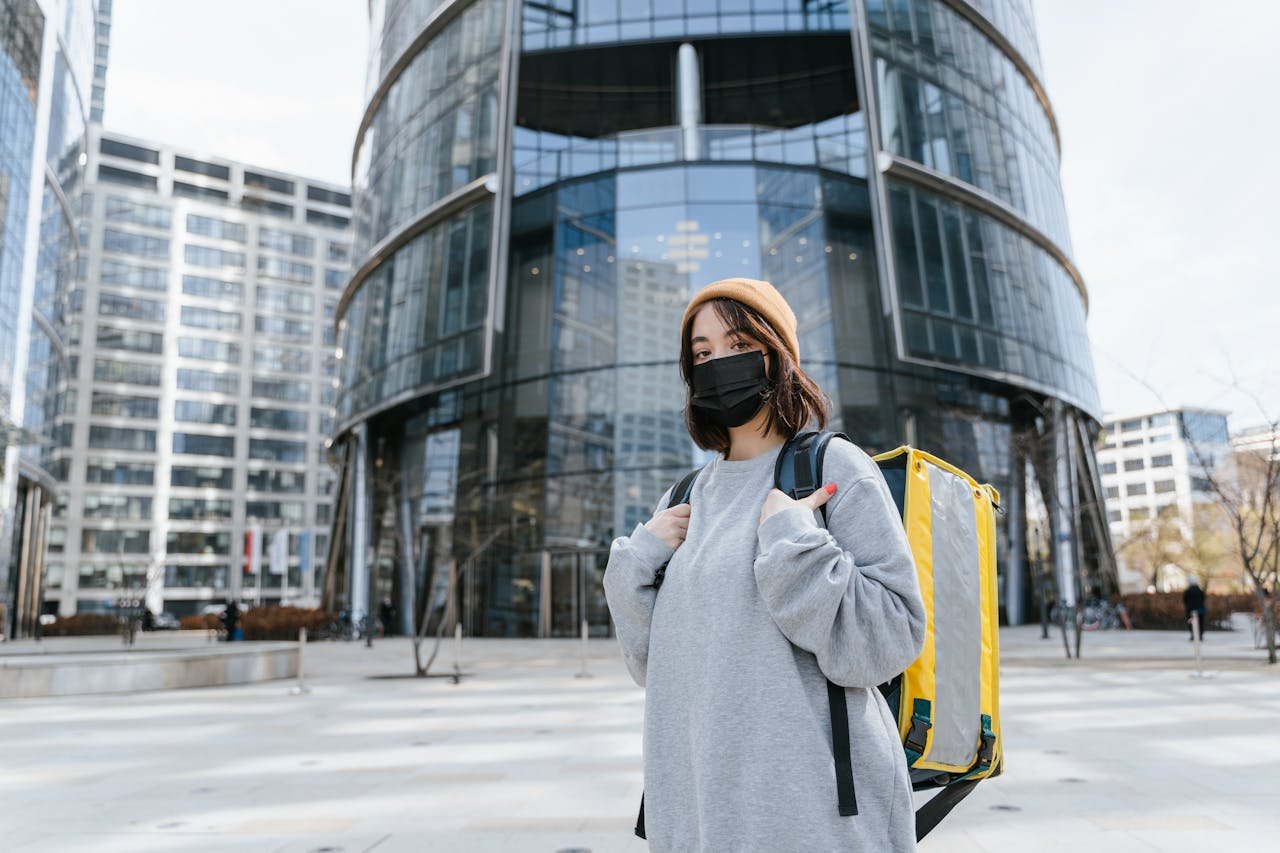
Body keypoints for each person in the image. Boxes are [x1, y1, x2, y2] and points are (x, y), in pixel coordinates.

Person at [604, 278, 926, 851]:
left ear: (777, 355)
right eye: (702, 354)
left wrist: (792, 541)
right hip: (700, 814)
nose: (718, 364)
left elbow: (889, 641)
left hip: (813, 819)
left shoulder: (832, 469)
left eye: (736, 344)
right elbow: (656, 669)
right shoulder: (681, 500)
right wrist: (637, 563)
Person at [1183, 576, 1207, 640]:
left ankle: (1193, 635)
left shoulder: (1188, 591)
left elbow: (1185, 600)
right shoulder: (1200, 590)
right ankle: (1200, 635)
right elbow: (1203, 598)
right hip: (1200, 609)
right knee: (1200, 622)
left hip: (1191, 610)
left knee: (1191, 622)